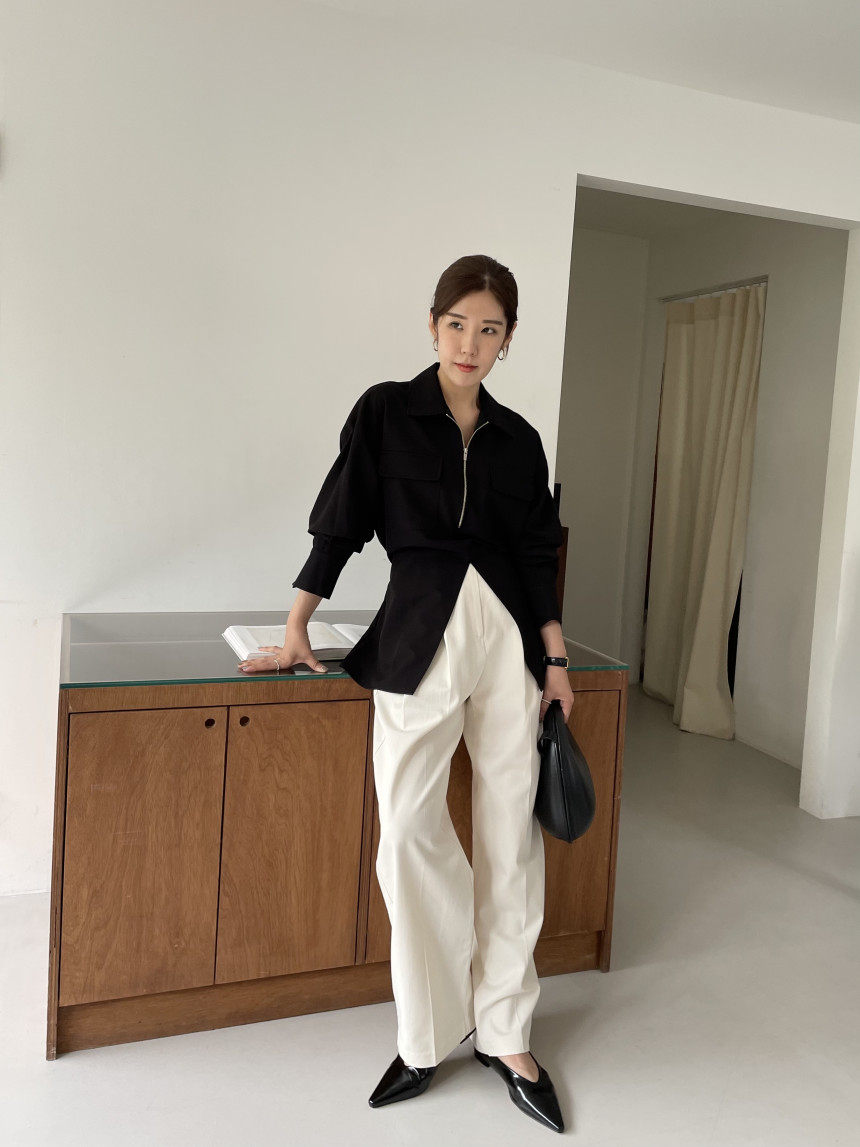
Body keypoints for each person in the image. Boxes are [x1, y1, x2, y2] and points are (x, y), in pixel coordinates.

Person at [237, 254, 574, 1133]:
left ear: (508, 340)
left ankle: (507, 1033)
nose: (470, 342)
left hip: (508, 641)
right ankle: (428, 1032)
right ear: (433, 325)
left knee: (511, 838)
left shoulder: (520, 438)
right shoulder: (386, 410)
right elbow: (341, 520)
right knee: (407, 833)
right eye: (457, 323)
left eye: (489, 328)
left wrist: (555, 658)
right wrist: (297, 623)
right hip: (419, 634)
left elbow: (537, 555)